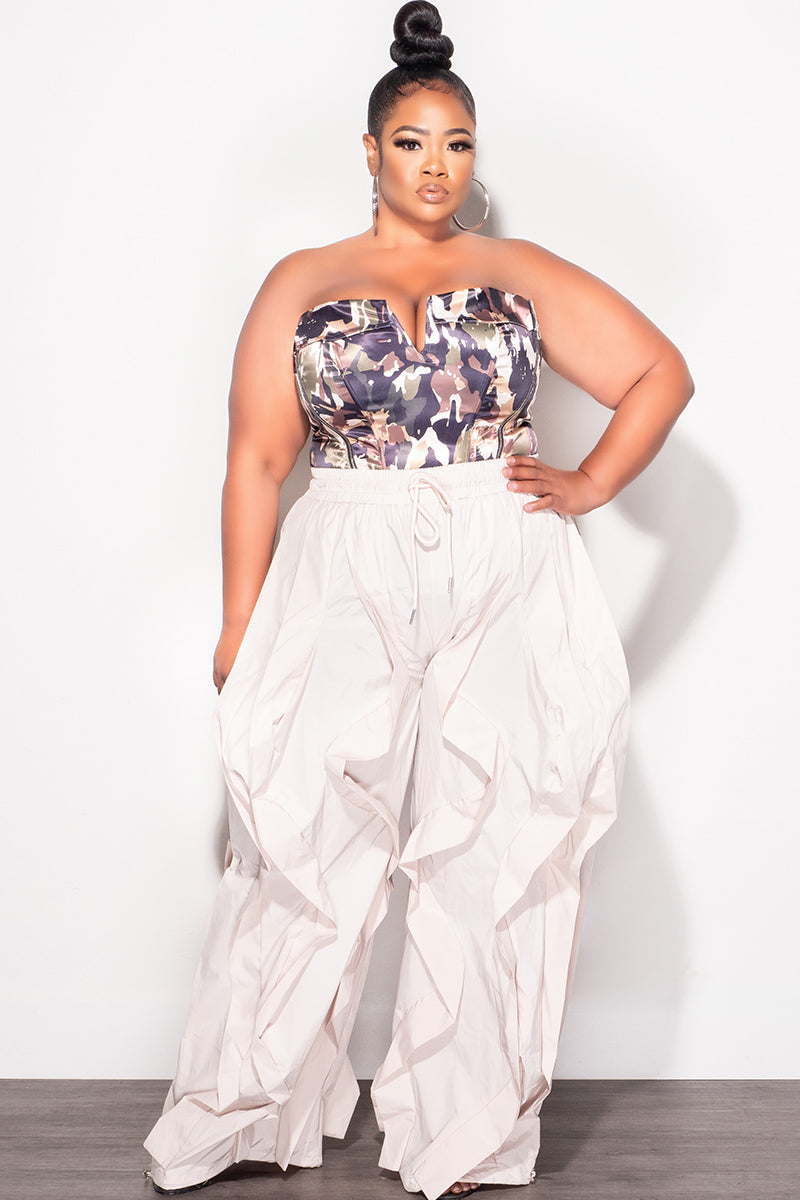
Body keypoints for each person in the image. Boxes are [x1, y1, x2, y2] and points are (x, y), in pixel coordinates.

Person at [142, 2, 694, 1197]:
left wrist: (588, 482)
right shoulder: (302, 280)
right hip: (343, 553)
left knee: (495, 835)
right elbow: (255, 460)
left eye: (455, 144)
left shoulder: (513, 272)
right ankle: (243, 1111)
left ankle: (466, 1127)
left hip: (504, 559)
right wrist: (238, 624)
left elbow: (659, 371)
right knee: (304, 832)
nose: (435, 165)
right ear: (370, 151)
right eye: (410, 143)